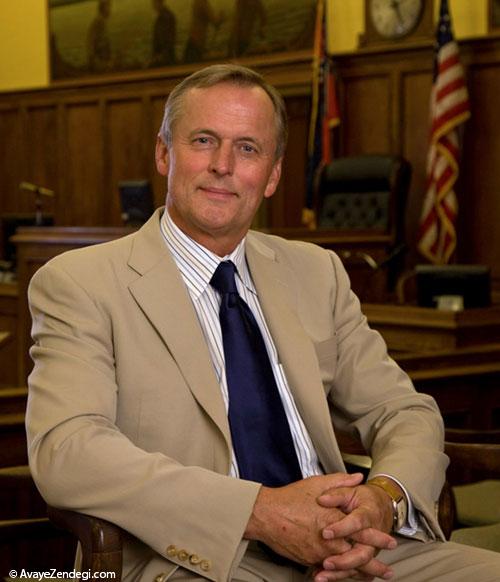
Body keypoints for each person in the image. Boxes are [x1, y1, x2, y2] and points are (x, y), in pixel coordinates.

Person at [26, 64, 500, 581]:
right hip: (195, 560)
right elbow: (67, 451)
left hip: (346, 548)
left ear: (272, 175)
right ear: (164, 154)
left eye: (248, 148)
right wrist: (259, 512)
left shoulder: (316, 272)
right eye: (203, 140)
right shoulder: (81, 283)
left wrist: (383, 500)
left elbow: (404, 410)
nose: (223, 165)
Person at [87, 0, 112, 73]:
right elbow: (91, 41)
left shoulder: (101, 21)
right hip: (99, 60)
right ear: (102, 8)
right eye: (108, 7)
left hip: (102, 59)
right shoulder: (98, 22)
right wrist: (93, 58)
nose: (110, 10)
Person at [151, 0, 176, 67]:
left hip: (165, 59)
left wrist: (161, 56)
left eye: (154, 3)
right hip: (163, 57)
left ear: (159, 3)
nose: (153, 6)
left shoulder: (165, 18)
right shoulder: (164, 17)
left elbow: (169, 40)